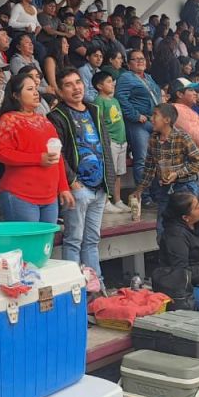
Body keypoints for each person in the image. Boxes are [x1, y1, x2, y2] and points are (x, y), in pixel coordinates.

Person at [48, 68, 115, 283]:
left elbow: (104, 145)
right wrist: (72, 181)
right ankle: (73, 287)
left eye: (78, 82)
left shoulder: (94, 109)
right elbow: (58, 152)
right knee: (74, 240)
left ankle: (96, 287)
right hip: (78, 187)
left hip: (99, 186)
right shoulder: (56, 116)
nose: (76, 87)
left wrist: (108, 181)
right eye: (68, 84)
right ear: (59, 90)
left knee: (92, 240)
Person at [0, 73, 69, 223]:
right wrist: (38, 158)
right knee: (26, 245)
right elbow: (1, 153)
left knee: (45, 245)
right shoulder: (8, 120)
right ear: (16, 95)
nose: (36, 93)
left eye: (36, 88)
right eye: (29, 89)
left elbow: (57, 156)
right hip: (20, 195)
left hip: (49, 196)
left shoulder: (43, 120)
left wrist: (63, 187)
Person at [138, 104, 199, 234]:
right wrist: (140, 188)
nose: (152, 118)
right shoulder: (153, 139)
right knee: (162, 227)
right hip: (164, 189)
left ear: (167, 120)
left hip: (185, 187)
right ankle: (166, 251)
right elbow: (149, 165)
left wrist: (177, 174)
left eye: (155, 115)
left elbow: (198, 162)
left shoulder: (182, 137)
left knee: (189, 225)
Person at [116, 49, 161, 194]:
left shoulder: (148, 77)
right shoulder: (126, 77)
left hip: (152, 122)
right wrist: (135, 115)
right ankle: (144, 195)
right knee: (142, 159)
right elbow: (121, 98)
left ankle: (154, 193)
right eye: (136, 59)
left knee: (154, 159)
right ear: (129, 64)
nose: (140, 61)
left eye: (142, 58)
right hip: (137, 123)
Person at [169, 77, 199, 190]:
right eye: (191, 90)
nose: (195, 93)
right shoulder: (179, 110)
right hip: (197, 171)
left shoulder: (187, 110)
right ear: (180, 94)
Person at [92, 71, 130, 212]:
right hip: (110, 141)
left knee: (118, 173)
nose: (112, 84)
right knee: (109, 172)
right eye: (108, 81)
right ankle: (106, 201)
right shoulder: (98, 101)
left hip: (121, 140)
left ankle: (117, 199)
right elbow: (99, 122)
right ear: (99, 86)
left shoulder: (115, 101)